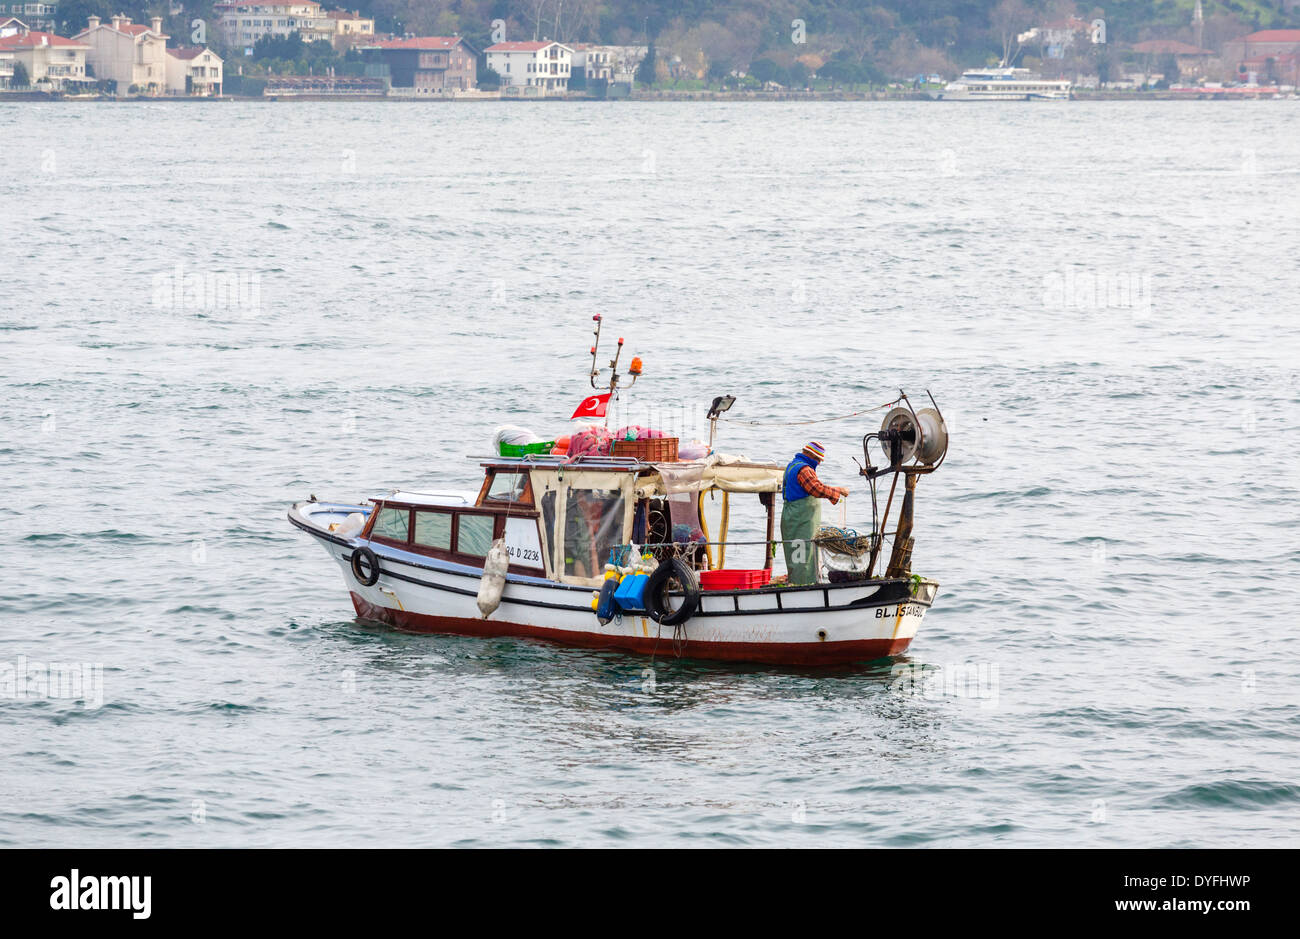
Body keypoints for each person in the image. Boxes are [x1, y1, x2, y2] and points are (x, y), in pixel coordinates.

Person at [780, 441, 850, 585]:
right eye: (818, 459)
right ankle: (804, 586)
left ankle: (798, 582)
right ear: (810, 455)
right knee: (804, 554)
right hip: (800, 520)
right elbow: (816, 489)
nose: (819, 463)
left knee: (800, 554)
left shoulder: (792, 465)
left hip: (794, 518)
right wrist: (838, 491)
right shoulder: (804, 469)